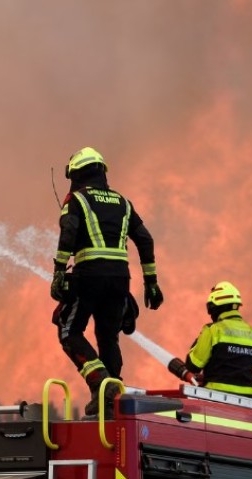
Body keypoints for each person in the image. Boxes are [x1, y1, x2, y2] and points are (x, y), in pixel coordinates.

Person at [50, 146, 164, 417]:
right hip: (120, 281)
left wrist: (58, 270)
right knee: (107, 336)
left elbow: (68, 233)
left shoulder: (77, 200)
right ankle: (111, 396)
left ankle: (99, 382)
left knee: (69, 330)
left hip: (88, 275)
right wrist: (151, 282)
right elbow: (145, 239)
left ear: (76, 173)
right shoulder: (123, 203)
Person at [182, 281, 252, 402]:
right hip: (247, 402)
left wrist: (200, 340)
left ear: (215, 308)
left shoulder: (213, 331)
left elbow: (193, 365)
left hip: (215, 399)